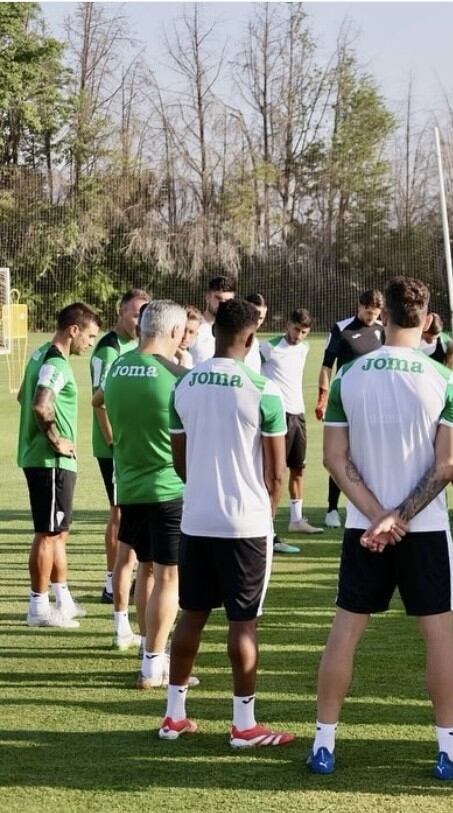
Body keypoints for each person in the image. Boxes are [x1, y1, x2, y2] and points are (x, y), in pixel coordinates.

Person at [308, 277, 453, 778]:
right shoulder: (444, 380)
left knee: (344, 633)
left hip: (362, 529)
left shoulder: (349, 377)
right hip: (423, 530)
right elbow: (449, 465)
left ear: (381, 313)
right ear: (429, 320)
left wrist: (377, 515)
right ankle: (449, 752)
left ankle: (323, 744)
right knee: (439, 639)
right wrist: (400, 517)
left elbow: (334, 461)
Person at [159, 298, 293, 748]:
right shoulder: (263, 390)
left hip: (196, 519)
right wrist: (265, 514)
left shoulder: (184, 386)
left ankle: (174, 716)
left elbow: (180, 464)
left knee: (190, 617)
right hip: (246, 526)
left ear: (214, 333)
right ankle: (243, 725)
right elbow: (276, 474)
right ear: (251, 337)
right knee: (243, 624)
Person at [102, 301, 190, 689]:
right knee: (169, 575)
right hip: (169, 486)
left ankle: (148, 652)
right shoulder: (174, 375)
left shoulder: (118, 367)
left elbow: (101, 406)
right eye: (184, 332)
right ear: (173, 333)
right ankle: (155, 664)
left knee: (146, 569)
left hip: (131, 485)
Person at [18, 303, 102, 628]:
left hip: (48, 460)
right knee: (48, 534)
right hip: (50, 459)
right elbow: (40, 405)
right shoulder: (55, 361)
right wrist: (56, 440)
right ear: (74, 330)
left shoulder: (40, 355)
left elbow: (23, 397)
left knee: (59, 532)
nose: (90, 343)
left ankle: (62, 598)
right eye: (90, 336)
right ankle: (38, 608)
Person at [90, 288, 150, 605]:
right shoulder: (108, 350)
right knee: (119, 510)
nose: (139, 320)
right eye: (135, 312)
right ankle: (112, 582)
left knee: (127, 509)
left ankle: (123, 574)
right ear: (121, 311)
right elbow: (99, 402)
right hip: (113, 447)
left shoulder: (134, 346)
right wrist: (114, 441)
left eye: (144, 314)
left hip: (128, 444)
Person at [316, 290, 384, 528]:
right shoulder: (341, 329)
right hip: (344, 401)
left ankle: (372, 504)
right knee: (340, 454)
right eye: (368, 312)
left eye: (375, 313)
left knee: (372, 453)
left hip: (375, 403)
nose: (370, 317)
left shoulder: (382, 329)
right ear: (360, 306)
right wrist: (323, 398)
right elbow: (326, 366)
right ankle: (332, 508)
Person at [260, 308, 322, 545]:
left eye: (304, 332)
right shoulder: (268, 348)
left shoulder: (304, 349)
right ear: (288, 325)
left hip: (298, 415)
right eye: (296, 329)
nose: (299, 335)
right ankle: (267, 525)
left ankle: (296, 520)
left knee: (298, 468)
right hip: (278, 415)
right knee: (274, 472)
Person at [422, 313, 453, 520]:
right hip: (423, 402)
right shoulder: (412, 344)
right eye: (430, 336)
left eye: (436, 336)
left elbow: (449, 372)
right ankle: (429, 500)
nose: (433, 339)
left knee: (452, 455)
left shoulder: (447, 344)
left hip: (442, 398)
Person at [187, 275, 238, 366]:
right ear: (207, 297)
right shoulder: (193, 328)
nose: (223, 304)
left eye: (227, 300)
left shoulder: (234, 332)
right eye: (218, 298)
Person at [243, 293, 269, 372]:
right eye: (254, 315)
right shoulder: (228, 339)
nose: (257, 321)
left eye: (261, 318)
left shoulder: (256, 343)